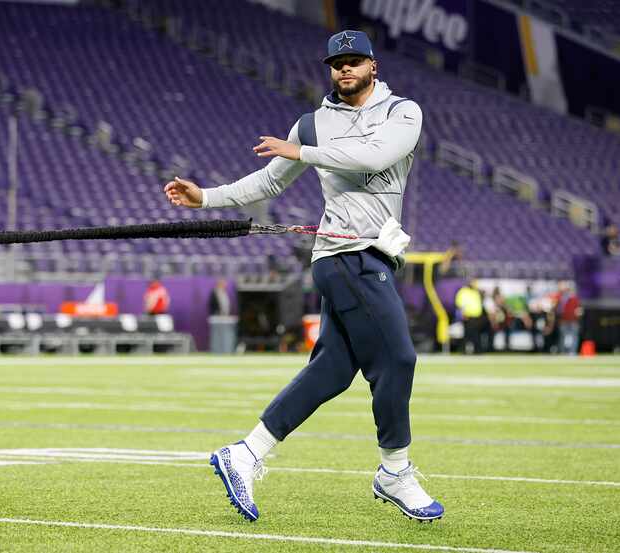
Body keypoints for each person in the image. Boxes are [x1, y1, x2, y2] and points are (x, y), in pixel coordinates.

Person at [164, 30, 443, 522]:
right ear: (329, 69)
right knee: (397, 357)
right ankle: (394, 471)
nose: (345, 69)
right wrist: (204, 196)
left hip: (375, 256)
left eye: (355, 61)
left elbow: (375, 158)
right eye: (337, 63)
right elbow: (269, 180)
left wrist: (302, 153)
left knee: (333, 371)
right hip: (343, 256)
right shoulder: (311, 124)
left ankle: (245, 454)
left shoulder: (404, 112)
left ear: (373, 66)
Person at [455, 280, 484, 354]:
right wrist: (463, 314)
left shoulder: (475, 292)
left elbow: (478, 304)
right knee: (468, 334)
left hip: (476, 317)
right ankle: (466, 350)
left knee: (473, 334)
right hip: (467, 316)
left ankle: (475, 350)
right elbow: (459, 304)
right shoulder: (463, 291)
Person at [556, 282, 582, 355]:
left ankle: (572, 351)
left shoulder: (575, 299)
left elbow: (579, 310)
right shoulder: (562, 298)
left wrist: (577, 315)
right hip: (564, 320)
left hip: (573, 320)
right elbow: (559, 310)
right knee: (563, 336)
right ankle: (562, 351)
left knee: (574, 336)